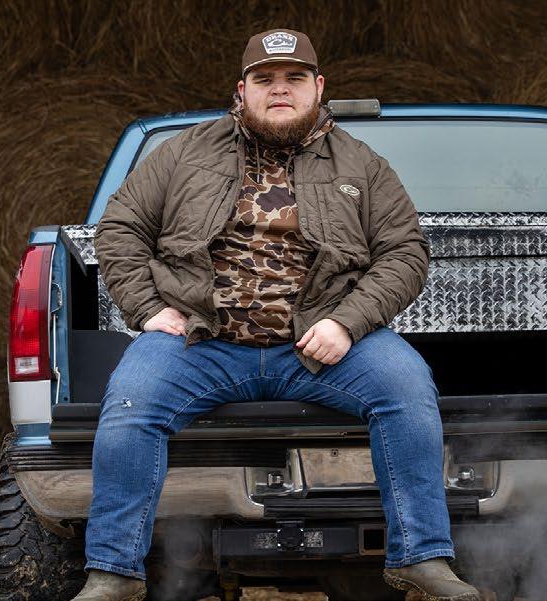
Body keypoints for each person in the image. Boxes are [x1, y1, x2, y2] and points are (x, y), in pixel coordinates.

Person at [77, 28, 482, 601]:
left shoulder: (362, 165)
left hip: (319, 346)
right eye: (265, 79)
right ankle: (114, 572)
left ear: (319, 86)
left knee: (407, 386)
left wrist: (347, 322)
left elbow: (405, 253)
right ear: (242, 90)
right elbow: (120, 228)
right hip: (201, 343)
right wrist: (146, 309)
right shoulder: (183, 153)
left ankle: (422, 558)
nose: (280, 89)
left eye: (294, 78)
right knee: (129, 402)